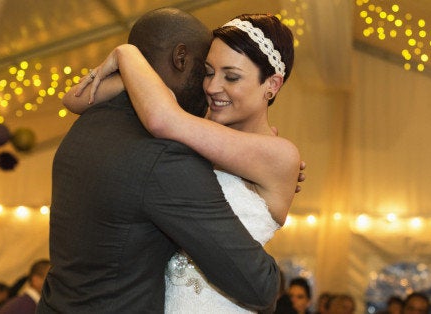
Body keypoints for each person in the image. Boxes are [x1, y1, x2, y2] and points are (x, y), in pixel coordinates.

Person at [37, 8, 284, 313]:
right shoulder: (165, 153)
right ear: (181, 59)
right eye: (205, 70)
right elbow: (259, 286)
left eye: (229, 75)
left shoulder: (90, 123)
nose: (209, 88)